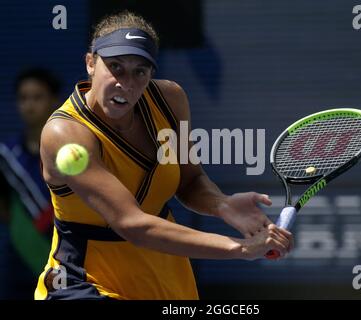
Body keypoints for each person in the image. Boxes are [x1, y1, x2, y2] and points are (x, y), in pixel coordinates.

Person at [34, 10, 293, 300]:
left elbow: (190, 180)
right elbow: (133, 224)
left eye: (139, 71)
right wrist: (241, 248)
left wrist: (221, 204)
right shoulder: (65, 134)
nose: (127, 83)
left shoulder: (169, 100)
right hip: (84, 283)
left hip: (165, 277)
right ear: (91, 63)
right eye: (116, 67)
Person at [0, 68, 60, 299]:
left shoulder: (73, 152)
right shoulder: (6, 156)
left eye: (37, 97)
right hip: (21, 263)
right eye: (23, 98)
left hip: (66, 262)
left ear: (54, 100)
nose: (29, 105)